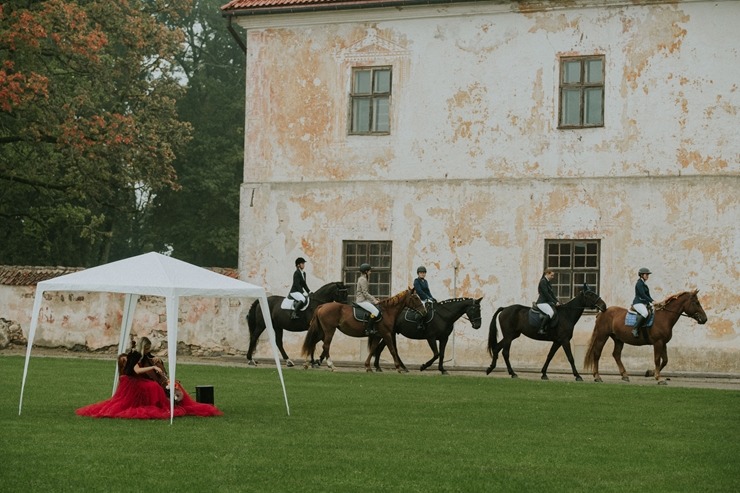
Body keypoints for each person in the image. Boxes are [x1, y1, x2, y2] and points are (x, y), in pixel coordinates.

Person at [76, 336, 222, 419]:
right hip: (132, 382)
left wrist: (156, 360)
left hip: (140, 379)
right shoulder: (135, 356)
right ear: (142, 348)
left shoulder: (144, 355)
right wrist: (152, 367)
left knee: (168, 383)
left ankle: (173, 400)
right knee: (152, 386)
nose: (148, 352)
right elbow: (137, 370)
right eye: (147, 349)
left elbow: (150, 358)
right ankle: (160, 404)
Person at [356, 263, 380, 336]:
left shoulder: (363, 278)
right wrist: (374, 300)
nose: (370, 272)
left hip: (364, 299)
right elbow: (365, 293)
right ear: (366, 271)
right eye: (369, 271)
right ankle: (368, 329)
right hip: (361, 301)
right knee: (375, 311)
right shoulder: (363, 279)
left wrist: (374, 298)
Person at [632, 267, 654, 338]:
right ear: (641, 275)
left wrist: (654, 302)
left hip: (643, 303)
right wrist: (651, 301)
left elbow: (648, 296)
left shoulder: (644, 284)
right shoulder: (639, 283)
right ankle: (635, 328)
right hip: (638, 303)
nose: (647, 276)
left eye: (648, 274)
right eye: (646, 274)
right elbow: (642, 295)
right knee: (645, 313)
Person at [536, 269, 560, 335]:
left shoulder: (548, 282)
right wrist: (554, 302)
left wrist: (557, 301)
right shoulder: (543, 282)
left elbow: (552, 294)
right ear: (547, 274)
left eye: (553, 275)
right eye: (551, 275)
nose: (553, 277)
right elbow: (546, 294)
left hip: (546, 302)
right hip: (541, 302)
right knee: (551, 312)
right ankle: (541, 329)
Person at [412, 266, 435, 330]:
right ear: (418, 273)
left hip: (425, 298)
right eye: (421, 273)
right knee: (422, 310)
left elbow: (427, 291)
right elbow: (419, 291)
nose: (422, 274)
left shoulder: (425, 281)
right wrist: (427, 298)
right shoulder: (416, 281)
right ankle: (419, 324)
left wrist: (431, 298)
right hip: (419, 298)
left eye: (424, 273)